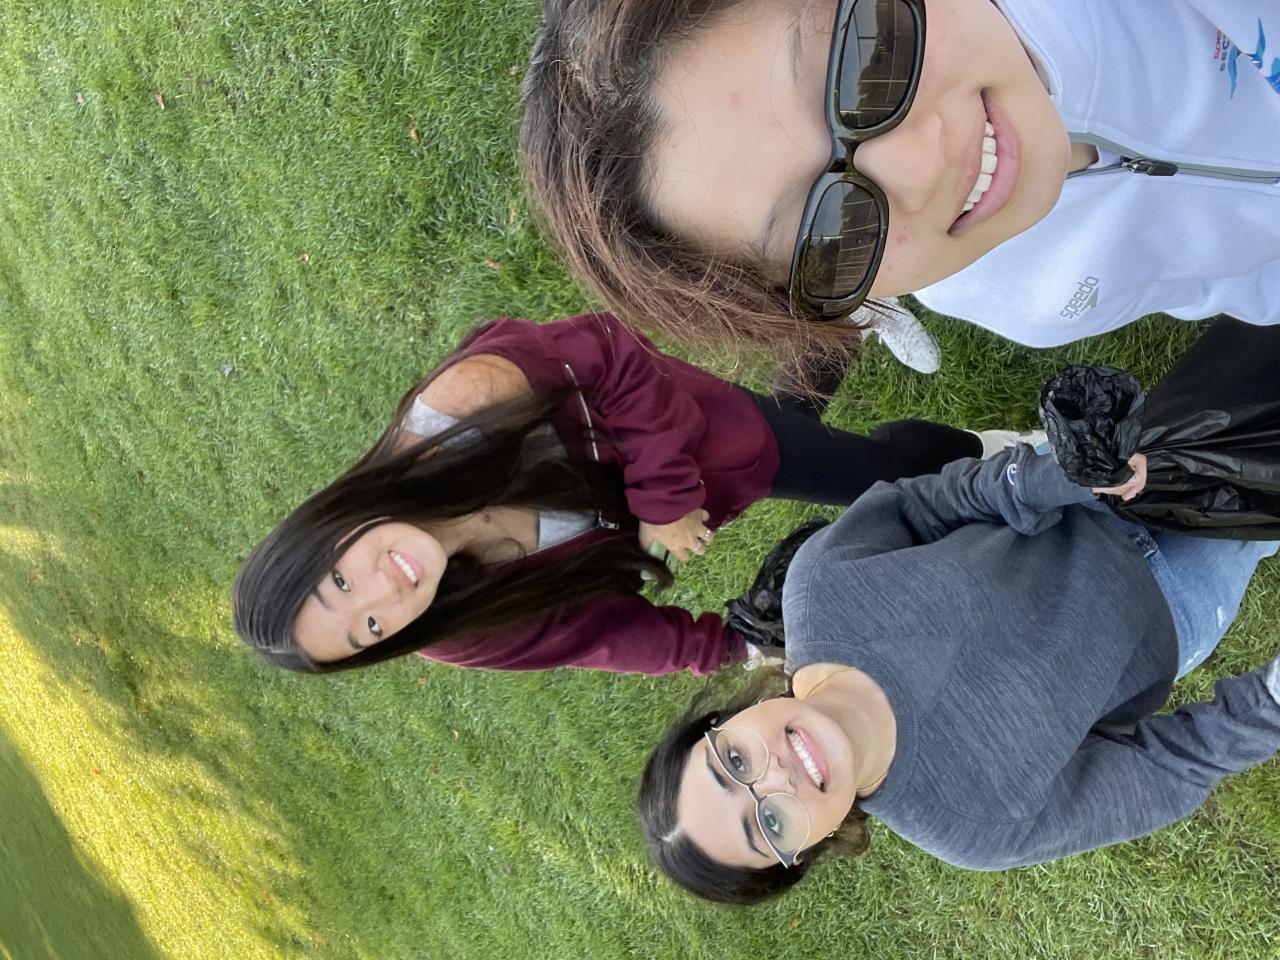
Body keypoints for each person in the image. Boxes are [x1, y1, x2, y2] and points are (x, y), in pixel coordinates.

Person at [638, 442, 1280, 903]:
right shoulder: (976, 828)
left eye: (735, 762)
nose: (774, 777)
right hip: (1177, 597)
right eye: (770, 825)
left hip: (1096, 479)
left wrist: (1064, 473)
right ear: (807, 852)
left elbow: (930, 503)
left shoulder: (819, 585)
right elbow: (1166, 769)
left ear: (730, 718)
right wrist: (1269, 706)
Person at [521, 0, 1280, 372]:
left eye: (871, 57)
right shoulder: (1023, 301)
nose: (917, 169)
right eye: (833, 233)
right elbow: (1222, 283)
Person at [233, 312, 1005, 675]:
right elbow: (593, 636)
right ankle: (838, 316)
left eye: (340, 582)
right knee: (793, 438)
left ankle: (997, 458)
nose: (384, 596)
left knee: (864, 476)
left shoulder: (461, 409)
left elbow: (610, 350)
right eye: (369, 629)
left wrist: (664, 500)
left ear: (327, 530)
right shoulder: (452, 627)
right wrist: (737, 646)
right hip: (693, 495)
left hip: (689, 432)